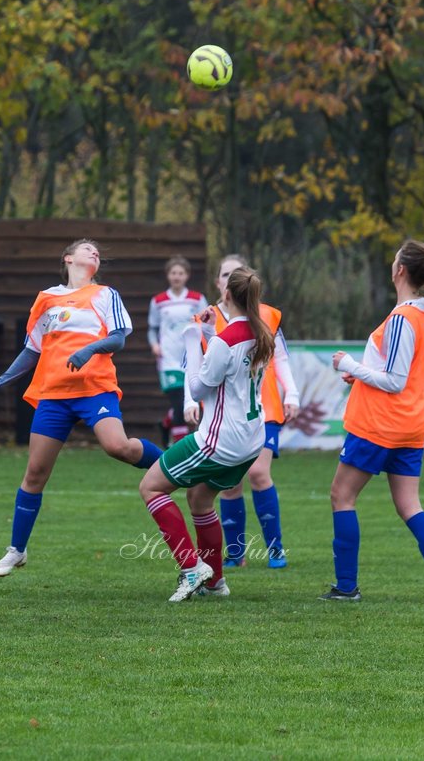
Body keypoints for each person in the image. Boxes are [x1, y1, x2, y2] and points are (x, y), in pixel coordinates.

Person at [0, 238, 164, 577]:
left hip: (94, 389)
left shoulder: (106, 294)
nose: (94, 252)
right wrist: (3, 379)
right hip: (54, 394)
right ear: (67, 258)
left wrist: (89, 350)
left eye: (97, 250)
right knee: (35, 473)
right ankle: (16, 550)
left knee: (118, 447)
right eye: (86, 248)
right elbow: (32, 350)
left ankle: (172, 466)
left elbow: (119, 336)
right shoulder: (46, 299)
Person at [321, 239, 424, 603]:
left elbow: (394, 381)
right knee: (409, 506)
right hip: (410, 424)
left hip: (381, 425)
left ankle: (346, 587)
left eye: (395, 260)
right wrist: (362, 373)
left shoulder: (402, 318)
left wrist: (348, 365)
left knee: (342, 496)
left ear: (399, 270)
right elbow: (398, 371)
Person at [140, 266, 275, 602]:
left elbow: (199, 387)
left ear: (226, 295)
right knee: (200, 499)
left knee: (151, 487)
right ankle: (215, 583)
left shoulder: (226, 340)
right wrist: (212, 332)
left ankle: (192, 568)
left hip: (220, 440)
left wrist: (193, 339)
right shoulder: (262, 333)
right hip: (251, 441)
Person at [188, 254, 300, 569]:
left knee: (259, 473)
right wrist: (188, 402)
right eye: (225, 274)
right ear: (218, 283)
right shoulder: (207, 318)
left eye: (235, 274)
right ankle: (236, 553)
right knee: (230, 482)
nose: (230, 279)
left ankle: (275, 549)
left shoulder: (266, 315)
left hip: (263, 410)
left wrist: (291, 392)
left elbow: (282, 358)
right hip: (222, 415)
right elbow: (194, 366)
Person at [147, 255, 208, 447]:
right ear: (168, 275)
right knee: (180, 403)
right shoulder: (158, 301)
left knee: (186, 403)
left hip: (192, 359)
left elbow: (207, 325)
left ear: (187, 276)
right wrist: (154, 345)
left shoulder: (197, 299)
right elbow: (152, 329)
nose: (177, 277)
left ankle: (166, 424)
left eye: (180, 273)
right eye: (173, 273)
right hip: (168, 360)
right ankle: (180, 449)